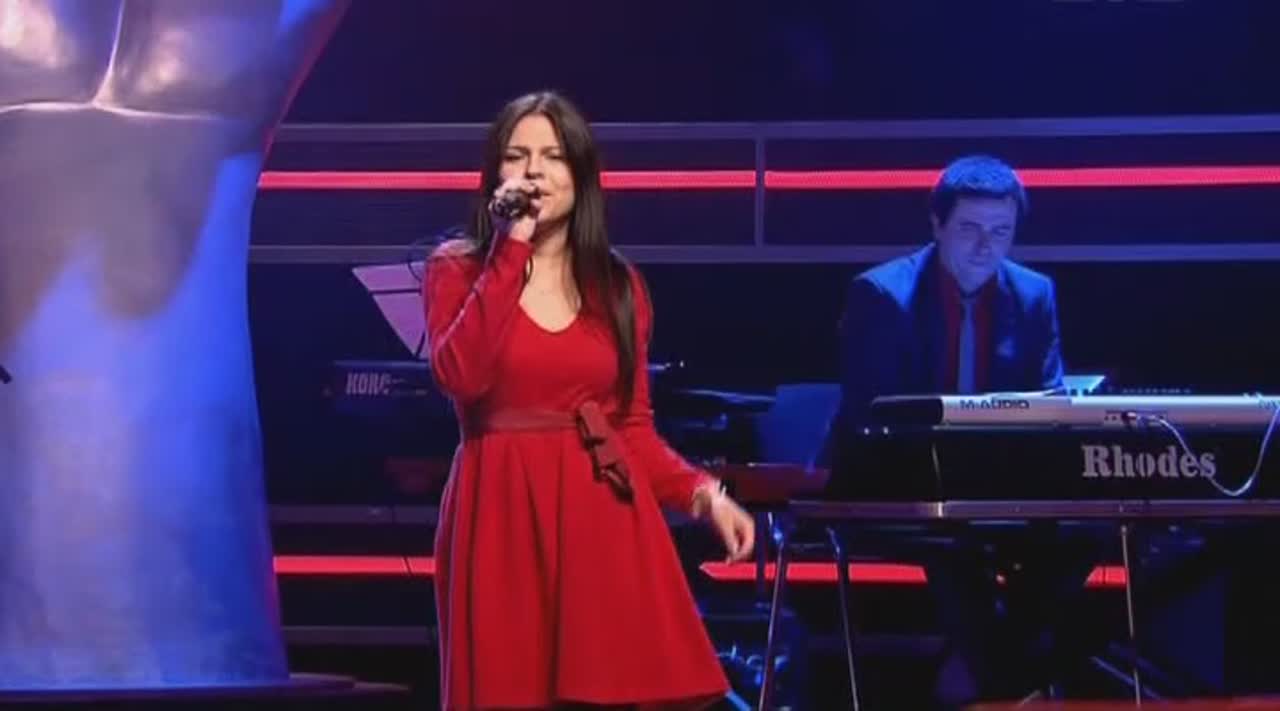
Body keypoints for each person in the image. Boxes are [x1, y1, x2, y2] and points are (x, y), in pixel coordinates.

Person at [422, 91, 756, 710]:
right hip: (501, 519)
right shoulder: (459, 270)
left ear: (581, 174)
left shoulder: (618, 287)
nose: (534, 171)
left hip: (602, 520)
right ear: (494, 175)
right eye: (517, 156)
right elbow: (461, 375)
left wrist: (704, 495)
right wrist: (511, 249)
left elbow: (632, 428)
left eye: (553, 156)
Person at [829, 155, 1098, 707]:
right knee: (955, 547)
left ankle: (983, 679)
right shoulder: (882, 295)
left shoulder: (1035, 295)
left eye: (1001, 232)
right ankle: (1011, 689)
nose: (985, 247)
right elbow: (871, 421)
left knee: (1082, 538)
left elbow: (1050, 408)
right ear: (937, 224)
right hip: (896, 487)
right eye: (970, 229)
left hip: (1000, 489)